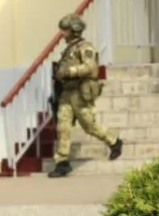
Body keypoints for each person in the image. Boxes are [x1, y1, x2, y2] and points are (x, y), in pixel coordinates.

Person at [49, 13, 123, 178]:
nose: (62, 33)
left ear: (74, 30)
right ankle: (62, 162)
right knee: (63, 127)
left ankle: (114, 141)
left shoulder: (85, 47)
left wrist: (69, 71)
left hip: (80, 92)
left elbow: (90, 67)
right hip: (67, 92)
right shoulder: (69, 50)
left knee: (89, 125)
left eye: (65, 30)